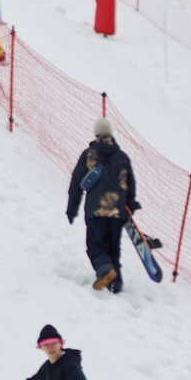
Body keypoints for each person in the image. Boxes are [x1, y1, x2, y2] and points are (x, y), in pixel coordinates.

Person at [66, 117, 145, 294]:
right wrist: (130, 206)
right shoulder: (122, 157)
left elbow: (76, 183)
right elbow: (130, 184)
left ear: (96, 134)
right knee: (113, 249)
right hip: (117, 213)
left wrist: (72, 209)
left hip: (96, 211)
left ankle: (104, 270)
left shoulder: (89, 155)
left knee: (95, 246)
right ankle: (116, 285)